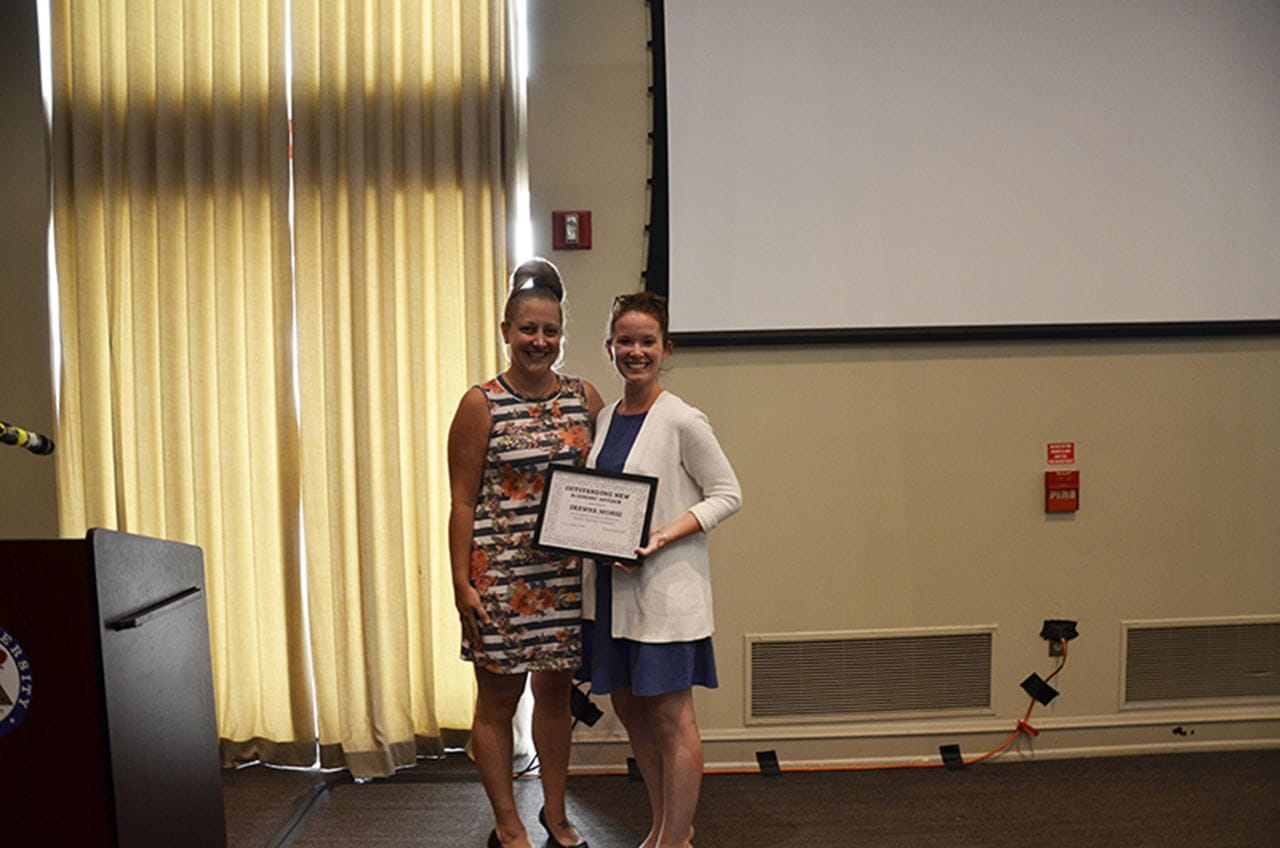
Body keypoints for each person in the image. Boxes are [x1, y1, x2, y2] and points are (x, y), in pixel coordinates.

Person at [449, 258, 603, 848]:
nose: (540, 341)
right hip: (499, 580)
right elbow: (463, 500)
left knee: (556, 698)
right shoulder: (481, 403)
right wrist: (460, 583)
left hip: (565, 580)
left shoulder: (584, 397)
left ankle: (555, 815)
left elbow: (606, 487)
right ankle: (508, 823)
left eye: (550, 331)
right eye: (528, 329)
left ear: (562, 336)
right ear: (506, 331)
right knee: (498, 702)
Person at [581, 292, 742, 848]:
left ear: (665, 348)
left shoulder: (681, 419)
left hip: (666, 595)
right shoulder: (606, 418)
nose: (636, 351)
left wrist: (663, 537)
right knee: (630, 709)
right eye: (625, 341)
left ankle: (675, 840)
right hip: (613, 596)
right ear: (609, 347)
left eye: (647, 341)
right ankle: (664, 827)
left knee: (673, 718)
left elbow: (728, 494)